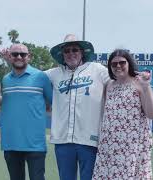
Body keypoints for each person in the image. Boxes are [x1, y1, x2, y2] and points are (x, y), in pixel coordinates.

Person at [45, 34, 109, 180]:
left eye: (75, 49)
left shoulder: (97, 70)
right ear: (62, 54)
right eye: (67, 51)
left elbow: (118, 81)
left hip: (89, 139)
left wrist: (138, 80)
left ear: (82, 52)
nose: (71, 53)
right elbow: (32, 77)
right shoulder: (54, 73)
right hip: (63, 140)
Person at [92, 49, 153, 179]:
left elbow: (151, 114)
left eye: (122, 62)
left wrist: (146, 87)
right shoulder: (108, 86)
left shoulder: (139, 84)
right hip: (109, 146)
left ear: (129, 64)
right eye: (114, 64)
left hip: (132, 147)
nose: (118, 66)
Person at [0, 43, 52, 180]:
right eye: (15, 54)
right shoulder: (5, 80)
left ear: (29, 57)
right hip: (11, 143)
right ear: (9, 57)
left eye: (22, 54)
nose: (19, 57)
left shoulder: (41, 77)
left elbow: (53, 102)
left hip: (35, 145)